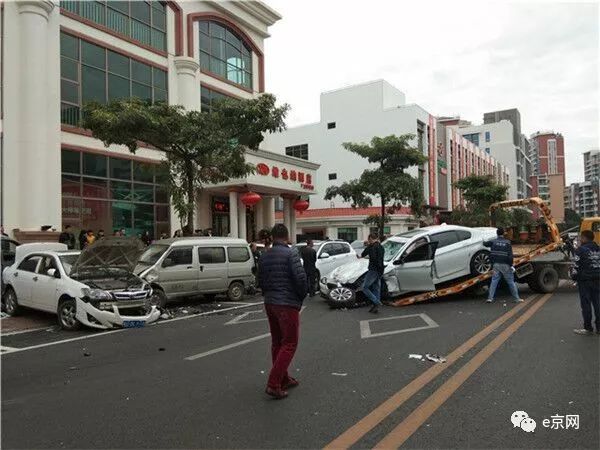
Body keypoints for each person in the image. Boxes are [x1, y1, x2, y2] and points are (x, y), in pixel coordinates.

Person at [258, 224, 307, 399]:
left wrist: (268, 294)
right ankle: (273, 383)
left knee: (277, 342)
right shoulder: (291, 253)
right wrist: (300, 297)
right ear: (287, 236)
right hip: (287, 303)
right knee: (290, 343)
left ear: (273, 237)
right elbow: (300, 278)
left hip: (270, 302)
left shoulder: (265, 255)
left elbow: (260, 280)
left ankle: (283, 378)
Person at [571, 230, 600, 335]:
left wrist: (574, 278)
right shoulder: (598, 248)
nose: (579, 240)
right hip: (597, 279)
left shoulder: (581, 250)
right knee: (597, 303)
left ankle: (588, 328)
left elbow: (576, 266)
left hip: (585, 281)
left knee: (586, 304)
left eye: (580, 238)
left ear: (584, 238)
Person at [484, 227, 523, 303]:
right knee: (510, 282)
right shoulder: (507, 242)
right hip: (505, 265)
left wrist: (482, 240)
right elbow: (510, 255)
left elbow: (485, 244)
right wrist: (511, 265)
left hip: (496, 264)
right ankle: (517, 298)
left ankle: (490, 298)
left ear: (497, 234)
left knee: (494, 281)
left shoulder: (493, 241)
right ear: (503, 234)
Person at [361, 233, 385, 313]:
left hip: (373, 270)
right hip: (380, 270)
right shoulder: (381, 247)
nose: (368, 241)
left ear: (370, 239)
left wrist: (368, 246)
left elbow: (363, 254)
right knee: (376, 288)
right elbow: (380, 260)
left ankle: (376, 302)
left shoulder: (372, 247)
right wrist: (381, 271)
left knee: (364, 287)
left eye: (369, 239)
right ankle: (375, 306)